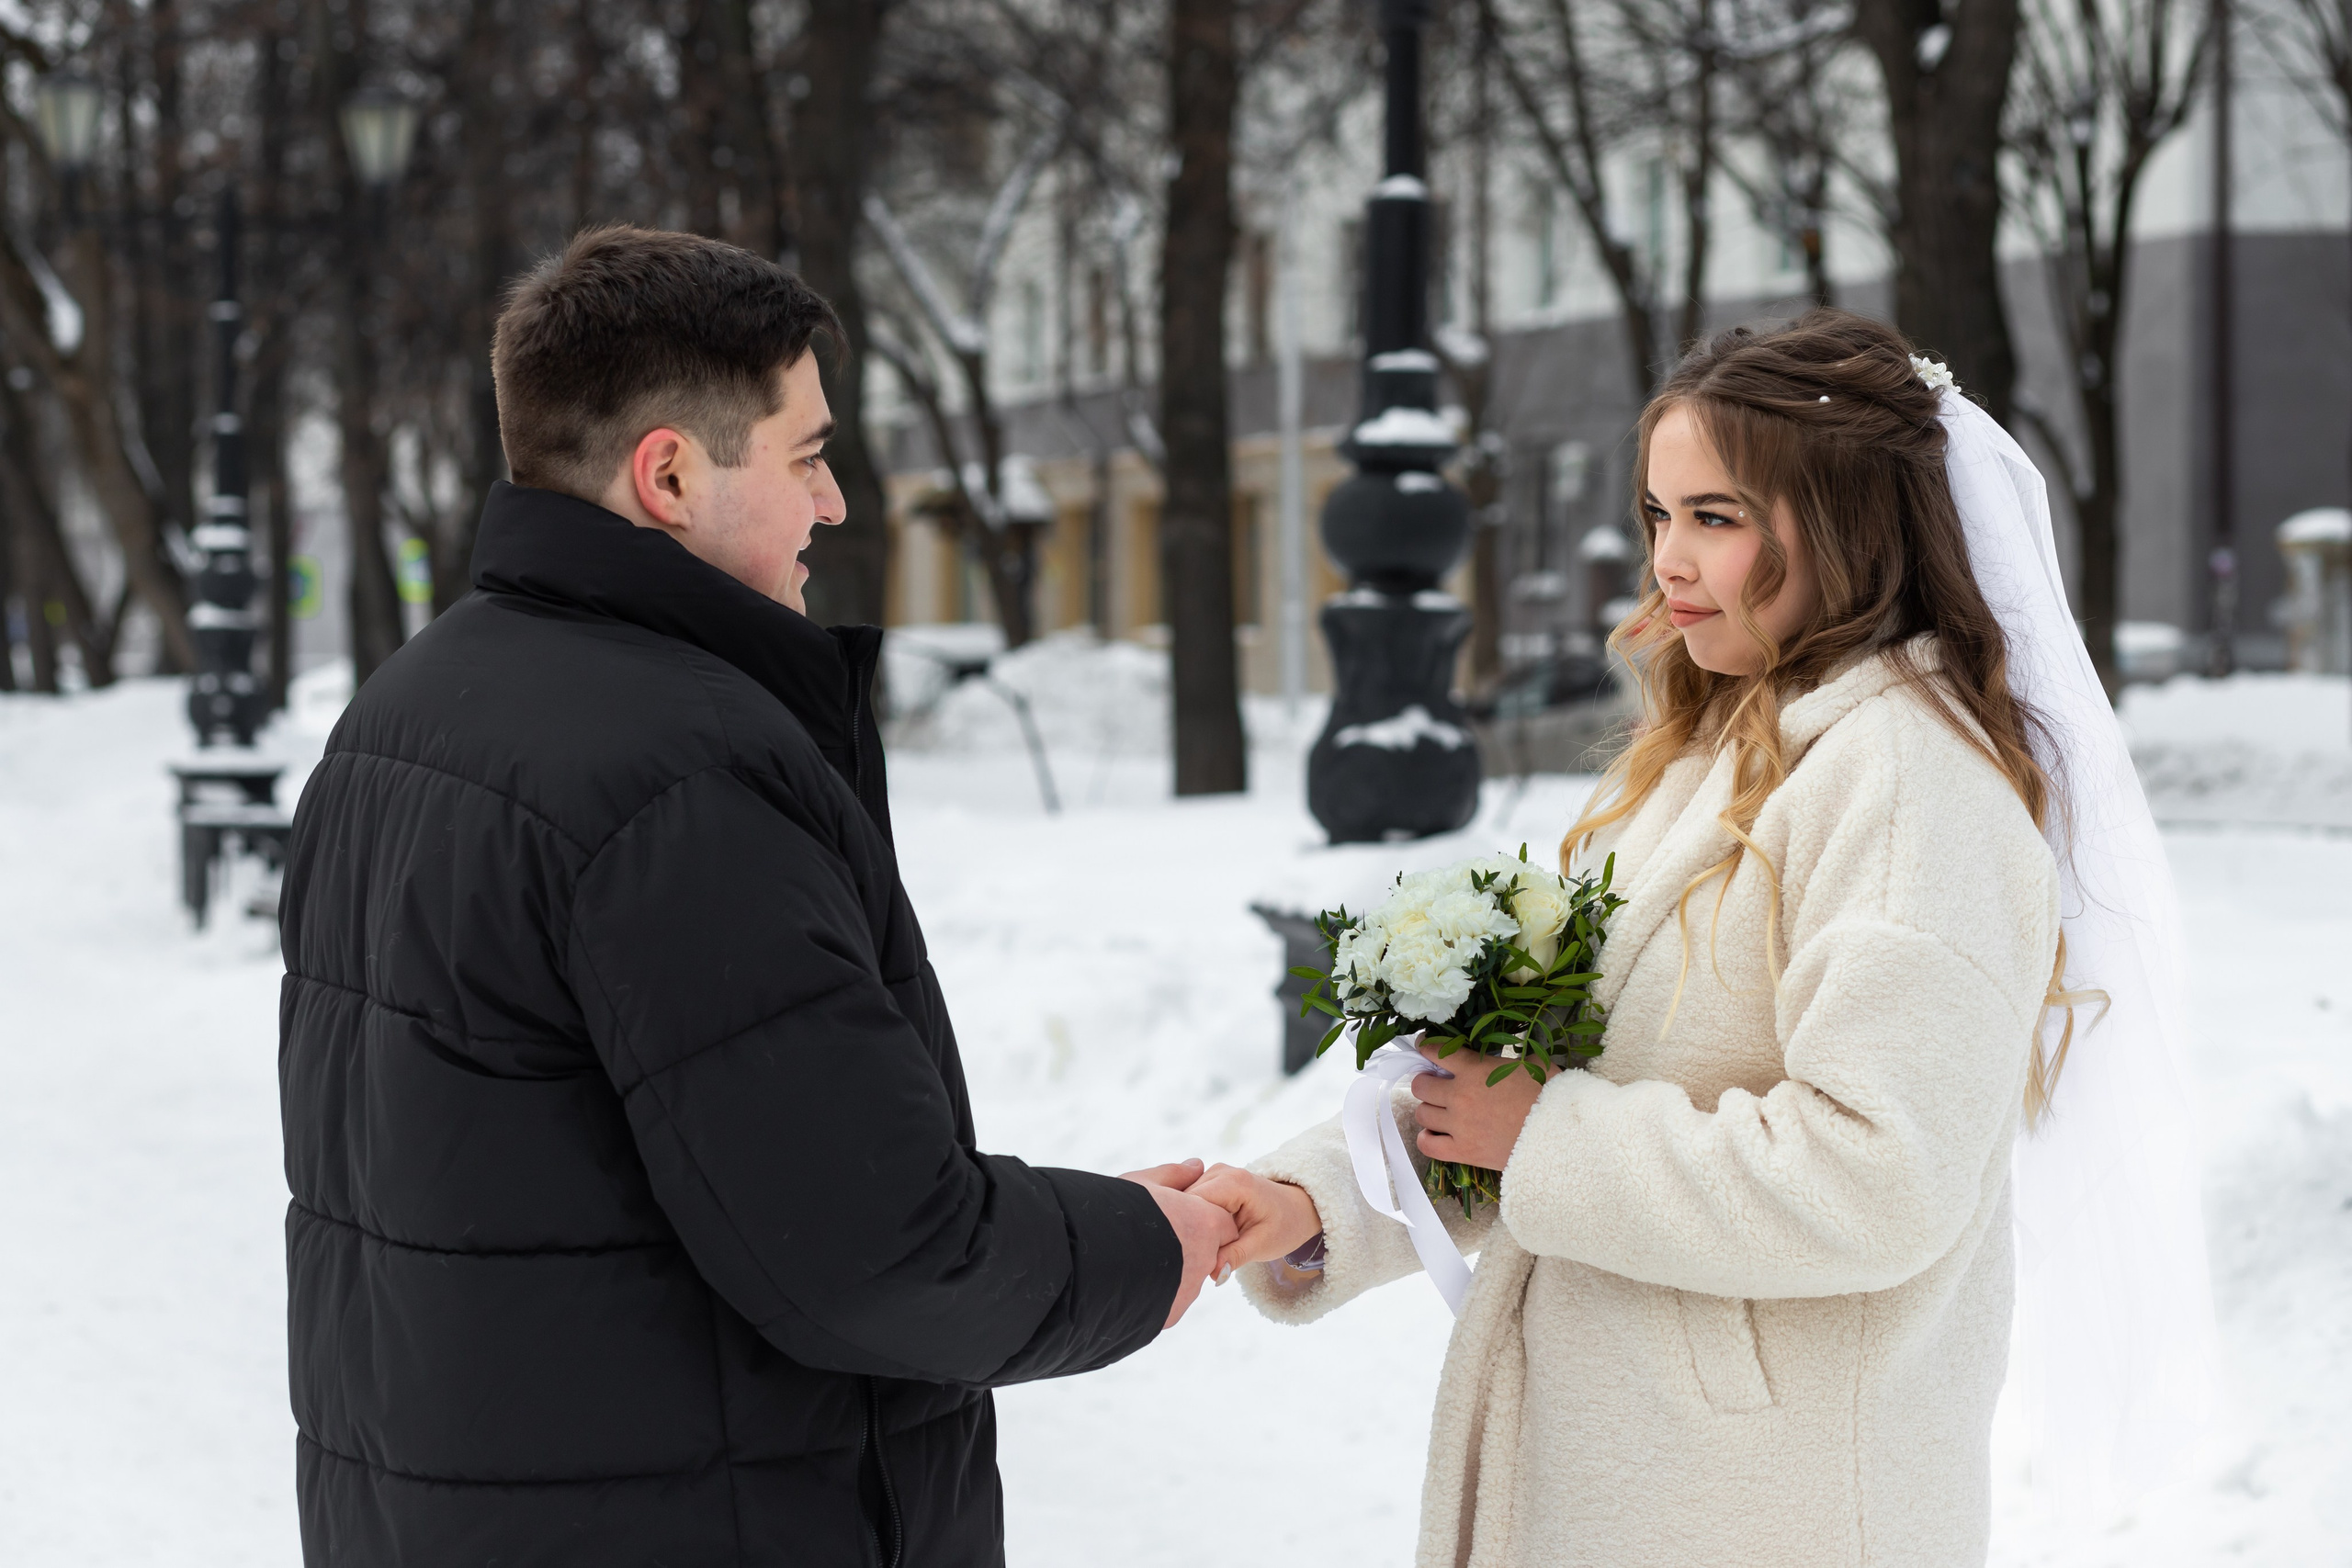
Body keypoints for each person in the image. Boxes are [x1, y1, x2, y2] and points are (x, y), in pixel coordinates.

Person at [277, 225, 1232, 1568]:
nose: (833, 503)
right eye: (804, 456)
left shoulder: (407, 713)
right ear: (669, 474)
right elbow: (878, 1255)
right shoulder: (675, 776)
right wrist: (1143, 1246)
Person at [1197, 310, 2086, 1567]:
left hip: (1771, 1507)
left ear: (1845, 522)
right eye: (1660, 514)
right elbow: (1540, 1086)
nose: (1669, 559)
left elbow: (1880, 1176)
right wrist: (1314, 1200)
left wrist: (1546, 1137)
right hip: (1644, 1476)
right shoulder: (1718, 748)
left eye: (1715, 518)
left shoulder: (1905, 785)